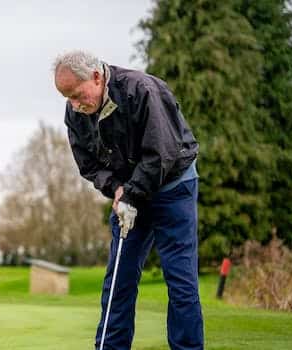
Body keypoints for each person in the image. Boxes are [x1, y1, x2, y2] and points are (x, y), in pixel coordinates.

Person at [53, 51, 203, 349]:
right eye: (67, 98)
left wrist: (129, 192)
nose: (74, 105)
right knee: (118, 279)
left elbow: (162, 153)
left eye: (77, 94)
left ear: (96, 77)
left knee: (180, 279)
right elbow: (89, 165)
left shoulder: (141, 89)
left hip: (173, 186)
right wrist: (116, 188)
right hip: (129, 194)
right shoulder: (76, 113)